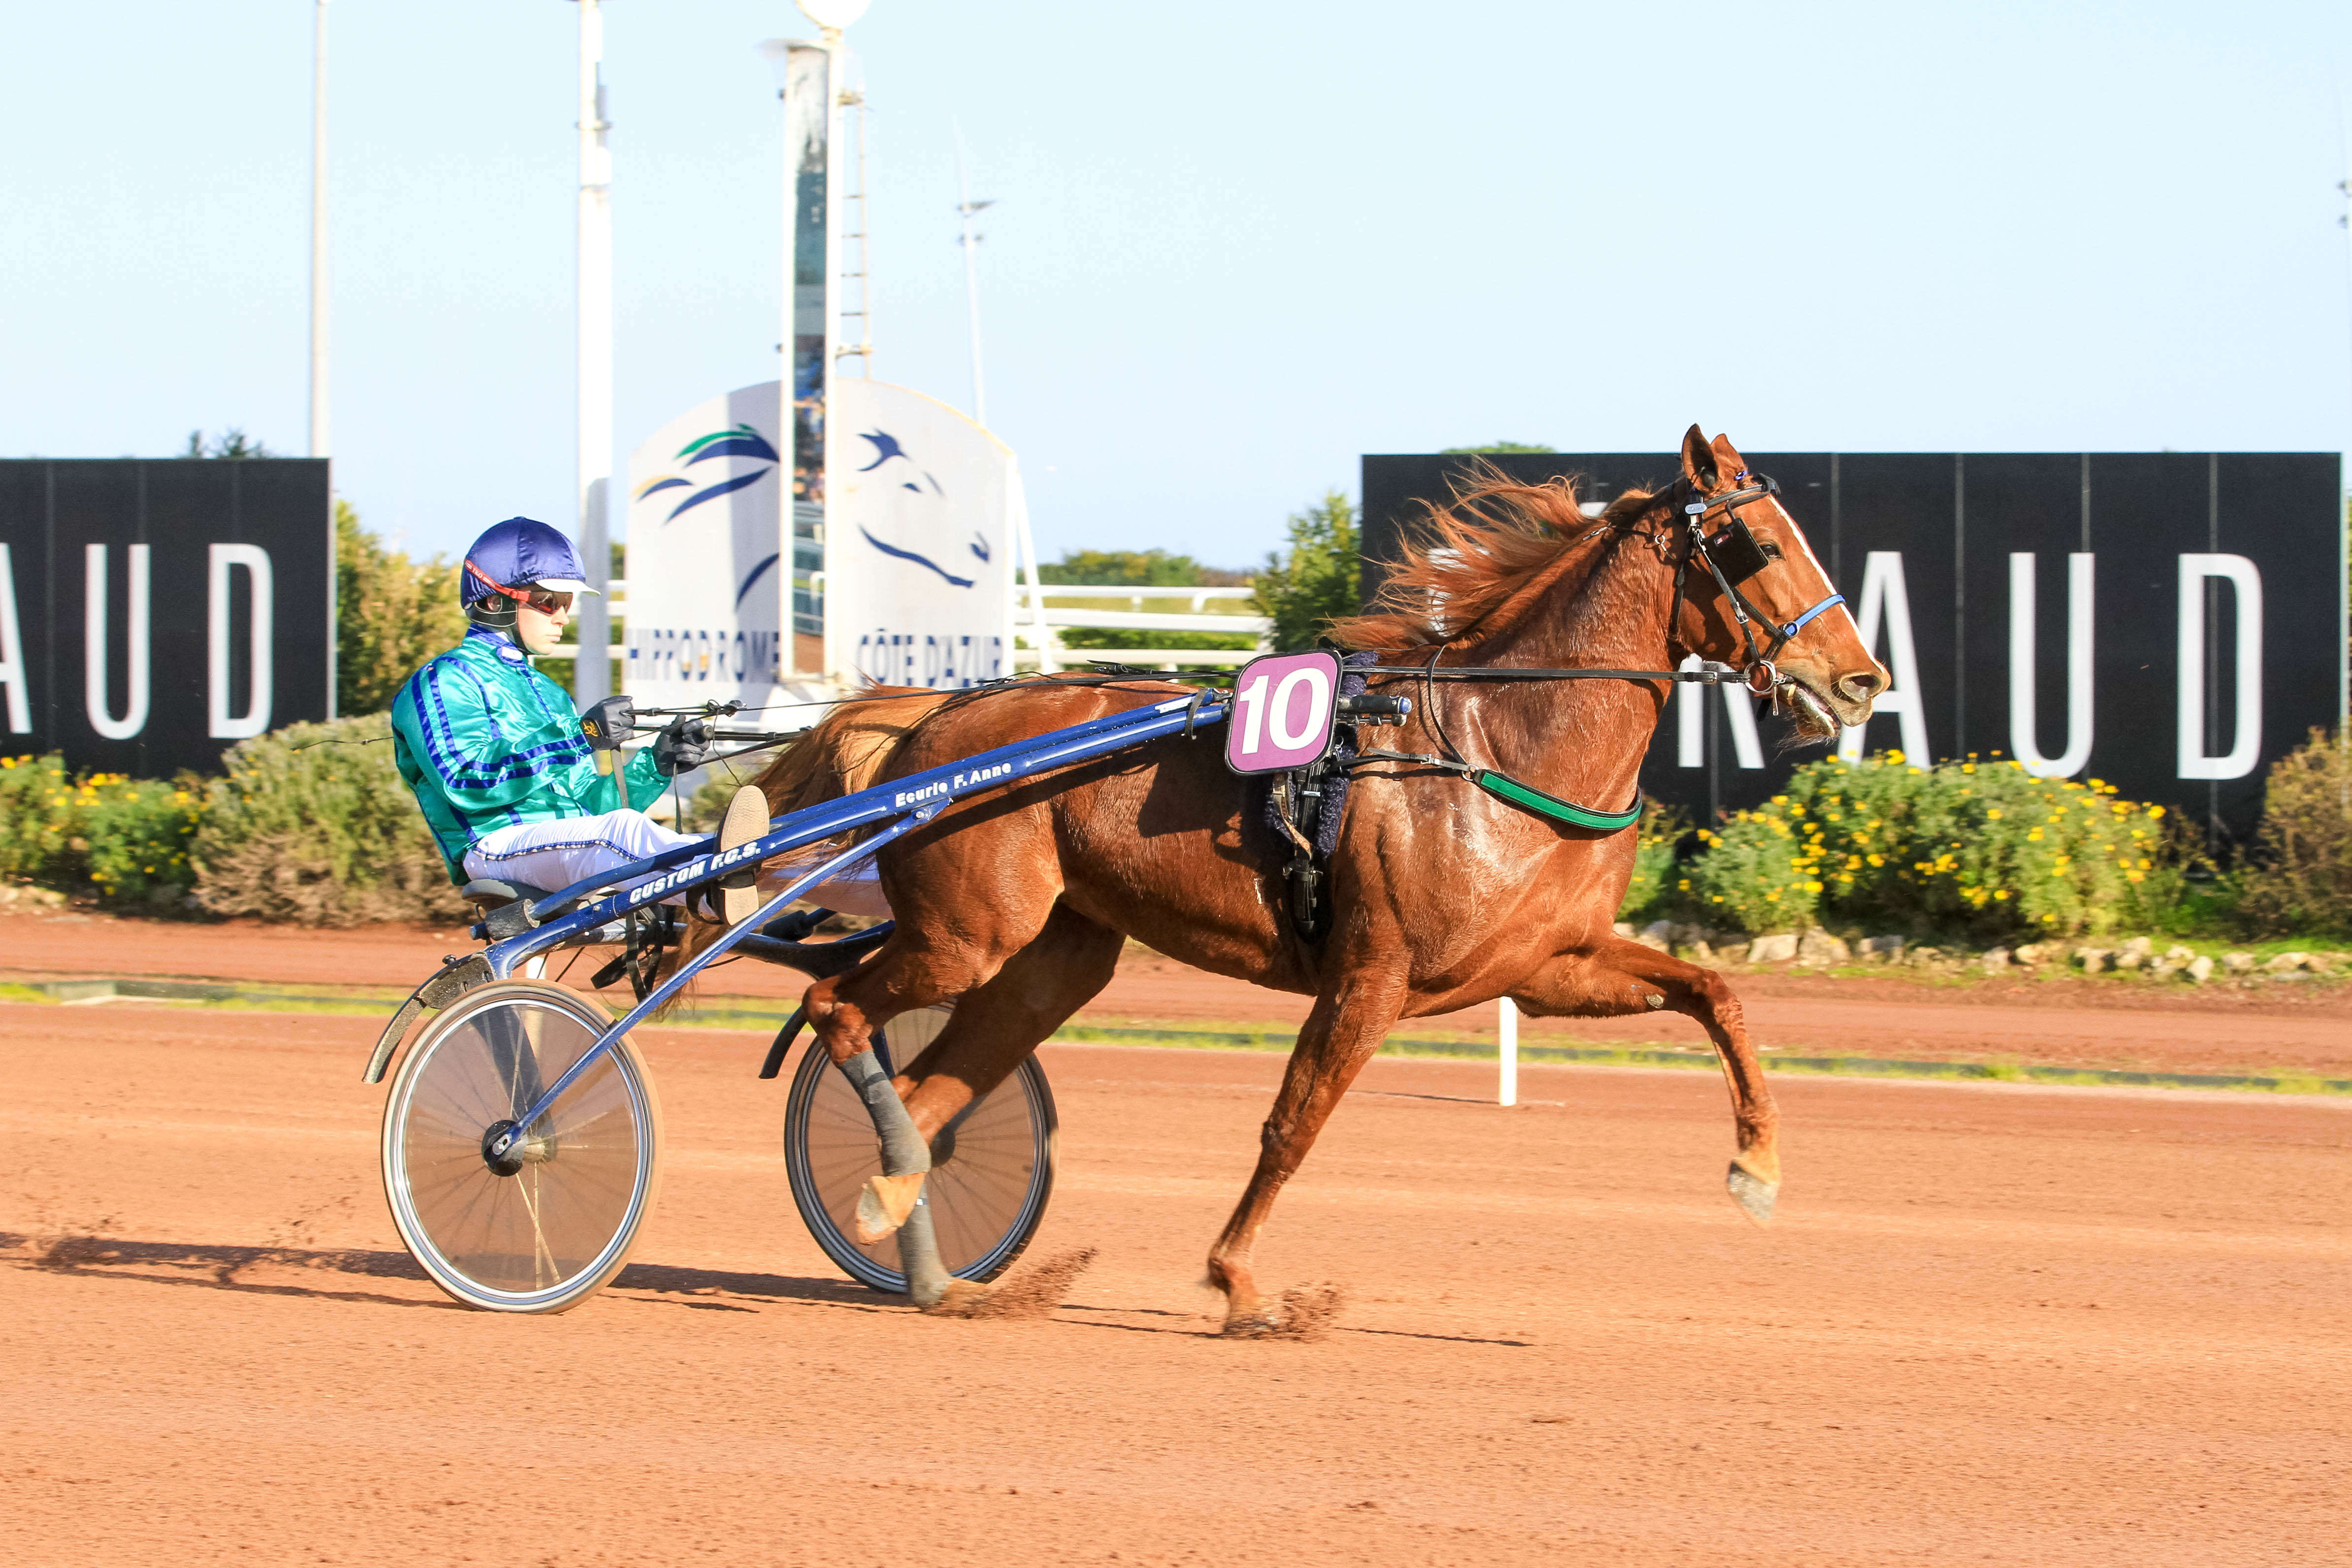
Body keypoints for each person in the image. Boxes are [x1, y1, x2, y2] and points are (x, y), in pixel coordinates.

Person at [390, 516, 767, 913]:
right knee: (623, 833)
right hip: (494, 844)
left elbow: (591, 806)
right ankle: (712, 895)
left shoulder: (551, 694)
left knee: (724, 844)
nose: (562, 617)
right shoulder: (442, 680)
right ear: (492, 601)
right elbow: (466, 781)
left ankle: (816, 873)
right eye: (548, 602)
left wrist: (655, 765)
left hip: (564, 842)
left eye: (566, 604)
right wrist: (579, 735)